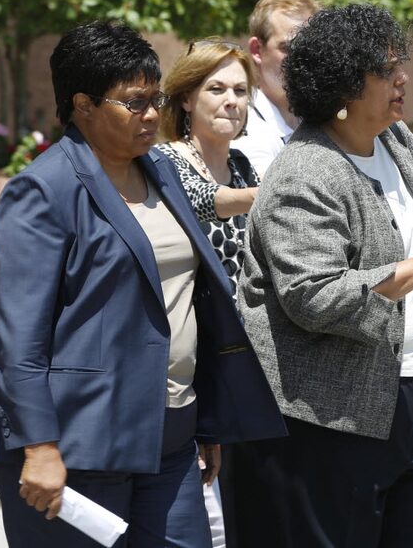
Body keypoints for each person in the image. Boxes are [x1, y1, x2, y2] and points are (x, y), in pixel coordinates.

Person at [0, 20, 285, 548]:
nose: (153, 114)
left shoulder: (160, 167)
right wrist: (39, 447)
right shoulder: (42, 191)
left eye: (155, 99)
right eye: (134, 103)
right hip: (77, 438)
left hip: (171, 431)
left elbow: (190, 297)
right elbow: (19, 336)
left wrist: (206, 418)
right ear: (83, 104)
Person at [230, 3, 413, 547]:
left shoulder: (397, 142)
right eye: (385, 71)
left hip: (408, 399)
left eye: (399, 64)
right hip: (327, 420)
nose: (402, 78)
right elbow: (312, 295)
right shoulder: (304, 174)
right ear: (343, 85)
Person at [156, 39, 258, 548]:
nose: (230, 100)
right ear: (186, 99)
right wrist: (287, 189)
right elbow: (207, 202)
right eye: (215, 88)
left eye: (241, 90)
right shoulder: (164, 161)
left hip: (235, 359)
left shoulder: (243, 164)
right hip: (183, 362)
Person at [229, 0, 320, 177]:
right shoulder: (240, 124)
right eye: (288, 48)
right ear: (256, 50)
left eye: (310, 48)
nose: (301, 59)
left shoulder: (324, 119)